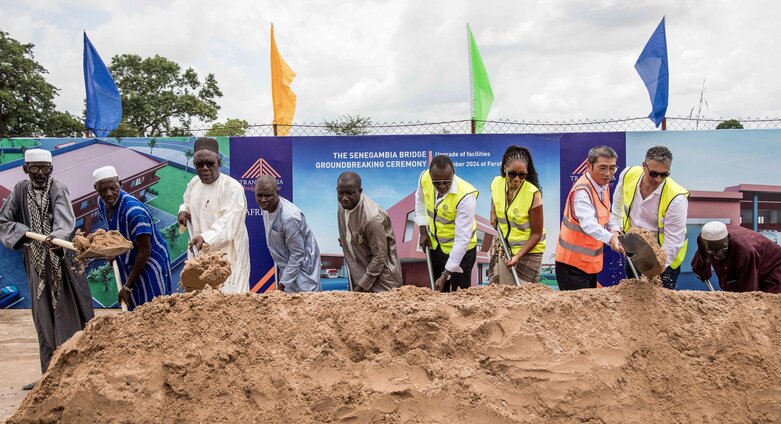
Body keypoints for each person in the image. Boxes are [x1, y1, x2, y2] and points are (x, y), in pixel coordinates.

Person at [0, 149, 94, 390]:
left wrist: (55, 238)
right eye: (35, 168)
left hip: (61, 262)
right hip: (35, 262)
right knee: (42, 320)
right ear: (25, 169)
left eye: (45, 168)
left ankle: (70, 374)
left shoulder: (58, 188)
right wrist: (25, 232)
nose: (41, 173)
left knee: (67, 316)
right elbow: (4, 221)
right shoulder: (20, 190)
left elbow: (64, 222)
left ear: (51, 169)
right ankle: (48, 375)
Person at [93, 166, 172, 310]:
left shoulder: (134, 212)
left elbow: (145, 251)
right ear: (96, 189)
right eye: (102, 190)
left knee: (153, 308)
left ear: (120, 184)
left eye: (113, 188)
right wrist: (110, 252)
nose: (109, 194)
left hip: (150, 262)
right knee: (134, 306)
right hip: (130, 259)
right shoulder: (101, 203)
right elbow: (110, 231)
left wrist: (127, 287)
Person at [178, 137, 250, 293]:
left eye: (210, 163)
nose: (204, 168)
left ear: (219, 163)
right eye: (199, 164)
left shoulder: (232, 188)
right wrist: (184, 210)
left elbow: (228, 225)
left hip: (227, 255)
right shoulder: (194, 183)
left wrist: (206, 238)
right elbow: (187, 202)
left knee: (228, 299)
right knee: (199, 299)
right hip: (199, 251)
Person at [610, 146, 688, 289]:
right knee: (633, 299)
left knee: (660, 307)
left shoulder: (676, 198)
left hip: (665, 259)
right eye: (653, 173)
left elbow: (673, 242)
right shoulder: (628, 175)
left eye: (664, 174)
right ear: (644, 166)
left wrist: (653, 270)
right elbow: (617, 210)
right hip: (634, 251)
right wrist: (615, 232)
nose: (658, 179)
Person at [555, 145, 624, 290]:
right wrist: (611, 239)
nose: (608, 173)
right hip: (571, 266)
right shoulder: (582, 191)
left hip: (589, 265)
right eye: (603, 167)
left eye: (612, 168)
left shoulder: (602, 186)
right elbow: (588, 224)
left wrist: (615, 230)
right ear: (588, 165)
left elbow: (607, 213)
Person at [415, 155, 478, 292]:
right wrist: (423, 231)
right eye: (436, 183)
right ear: (430, 176)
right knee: (439, 293)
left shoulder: (466, 196)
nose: (442, 186)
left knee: (459, 296)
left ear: (453, 175)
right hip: (436, 248)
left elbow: (462, 239)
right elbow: (420, 203)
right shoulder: (424, 178)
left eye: (446, 182)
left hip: (462, 253)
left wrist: (445, 275)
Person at [336, 172, 403, 292]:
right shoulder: (343, 205)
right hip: (360, 277)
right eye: (341, 193)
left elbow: (379, 257)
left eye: (350, 193)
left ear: (360, 191)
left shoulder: (372, 219)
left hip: (383, 284)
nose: (344, 198)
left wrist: (361, 287)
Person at [489, 146, 546, 284]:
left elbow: (536, 234)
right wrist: (493, 211)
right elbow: (494, 196)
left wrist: (518, 256)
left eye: (522, 175)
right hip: (505, 247)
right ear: (505, 169)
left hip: (528, 253)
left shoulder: (533, 194)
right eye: (512, 174)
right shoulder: (497, 183)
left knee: (523, 297)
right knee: (503, 293)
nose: (517, 179)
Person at [255, 175, 321, 293]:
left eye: (268, 195)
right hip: (288, 268)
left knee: (307, 304)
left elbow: (298, 254)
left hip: (304, 271)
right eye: (259, 195)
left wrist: (282, 285)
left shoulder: (289, 217)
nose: (263, 200)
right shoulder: (265, 207)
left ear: (277, 192)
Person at [691, 221, 781, 293]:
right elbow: (701, 260)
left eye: (722, 249)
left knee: (767, 300)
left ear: (728, 239)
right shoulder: (704, 240)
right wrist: (702, 272)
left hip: (774, 266)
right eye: (712, 251)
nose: (718, 254)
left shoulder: (745, 251)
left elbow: (749, 289)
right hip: (752, 262)